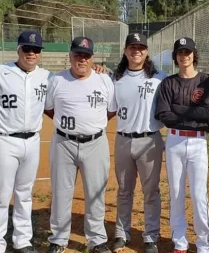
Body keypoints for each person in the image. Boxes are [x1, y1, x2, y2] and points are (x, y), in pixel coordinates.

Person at [44, 37, 115, 253]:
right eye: (77, 55)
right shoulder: (57, 80)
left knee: (95, 194)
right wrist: (69, 126)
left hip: (95, 143)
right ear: (70, 56)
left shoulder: (104, 80)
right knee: (61, 193)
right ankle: (58, 239)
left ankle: (96, 240)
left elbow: (111, 111)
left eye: (86, 55)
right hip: (63, 143)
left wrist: (91, 125)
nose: (81, 59)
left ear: (92, 58)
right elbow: (49, 109)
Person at [155, 37, 209, 253]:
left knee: (199, 195)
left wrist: (179, 108)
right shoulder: (168, 83)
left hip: (198, 141)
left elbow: (207, 113)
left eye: (188, 52)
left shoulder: (206, 80)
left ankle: (203, 243)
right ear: (175, 57)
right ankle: (179, 241)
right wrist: (190, 113)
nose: (185, 56)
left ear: (194, 54)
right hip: (174, 140)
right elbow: (165, 115)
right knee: (176, 192)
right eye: (180, 53)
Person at [109, 33, 166, 253]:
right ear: (125, 51)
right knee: (124, 190)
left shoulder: (159, 77)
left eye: (141, 47)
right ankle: (121, 234)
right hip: (123, 140)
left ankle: (150, 236)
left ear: (147, 51)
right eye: (132, 47)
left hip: (150, 140)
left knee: (151, 191)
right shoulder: (116, 78)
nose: (136, 51)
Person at [0, 31, 51, 253]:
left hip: (32, 141)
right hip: (5, 140)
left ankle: (22, 240)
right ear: (18, 50)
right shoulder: (2, 72)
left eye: (36, 50)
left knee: (24, 193)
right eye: (27, 49)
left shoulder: (47, 76)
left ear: (40, 53)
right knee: (2, 195)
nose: (31, 53)